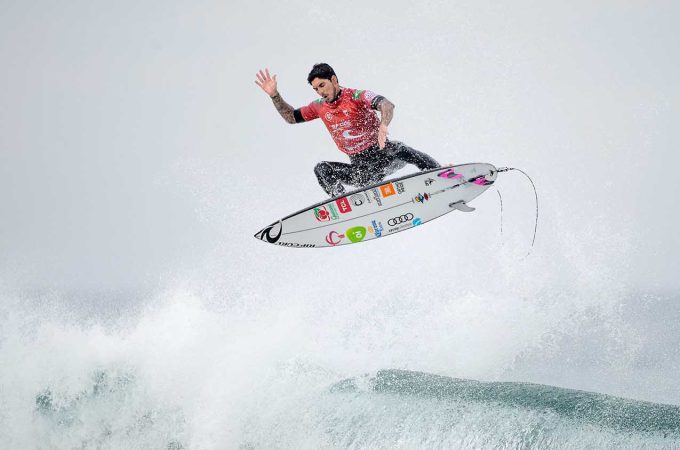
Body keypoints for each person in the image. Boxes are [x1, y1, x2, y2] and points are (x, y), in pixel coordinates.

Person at [255, 63, 440, 197]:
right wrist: (274, 95)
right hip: (361, 171)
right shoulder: (319, 107)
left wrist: (383, 125)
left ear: (333, 80)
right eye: (315, 89)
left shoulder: (356, 96)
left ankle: (441, 174)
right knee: (321, 169)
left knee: (400, 148)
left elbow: (387, 104)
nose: (320, 92)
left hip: (384, 157)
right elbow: (291, 117)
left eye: (322, 85)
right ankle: (342, 203)